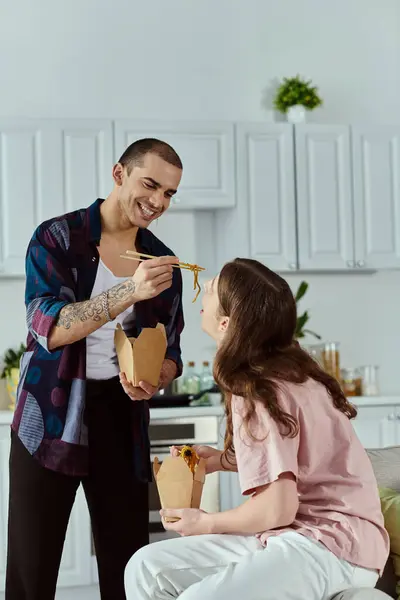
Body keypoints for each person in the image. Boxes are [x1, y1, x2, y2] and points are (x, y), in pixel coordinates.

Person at [124, 258, 389, 600]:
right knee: (145, 568)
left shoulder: (258, 388)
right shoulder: (292, 372)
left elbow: (277, 508)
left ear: (225, 323)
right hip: (307, 537)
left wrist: (205, 523)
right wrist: (223, 459)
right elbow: (297, 454)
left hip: (329, 546)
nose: (204, 288)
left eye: (213, 287)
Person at [6, 138, 185, 600]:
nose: (158, 202)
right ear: (118, 174)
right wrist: (129, 291)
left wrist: (155, 379)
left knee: (127, 567)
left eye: (169, 193)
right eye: (151, 185)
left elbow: (172, 353)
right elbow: (48, 325)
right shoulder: (57, 238)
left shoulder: (164, 262)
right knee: (32, 567)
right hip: (48, 415)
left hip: (122, 418)